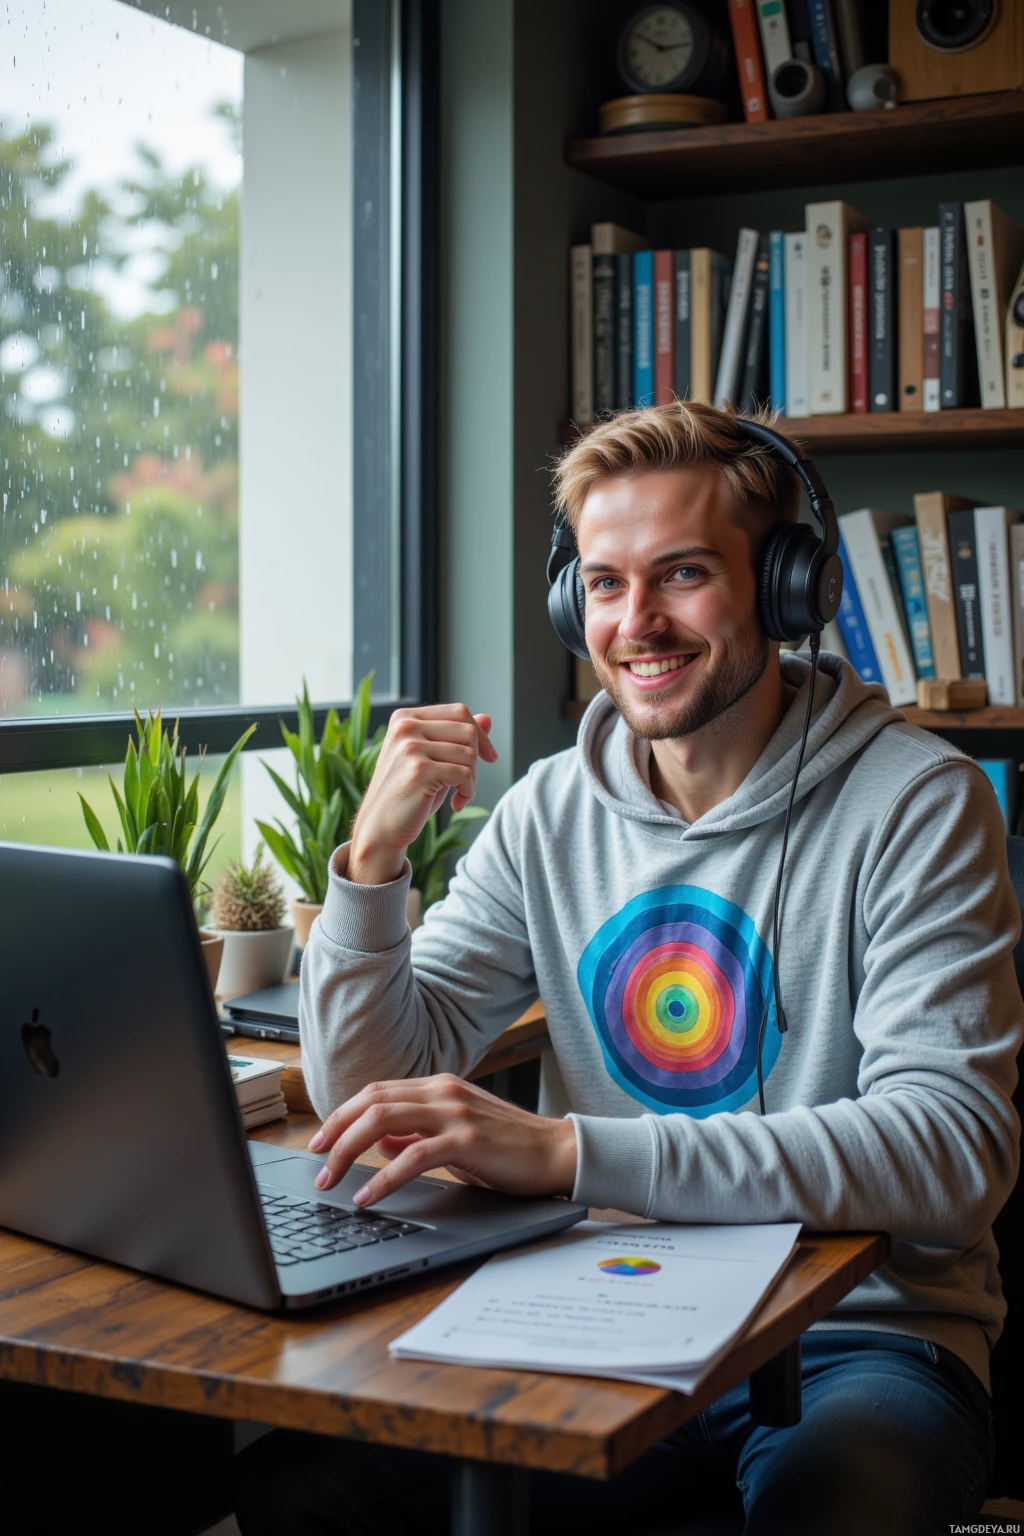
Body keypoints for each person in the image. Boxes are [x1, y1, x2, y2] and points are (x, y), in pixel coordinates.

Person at [235, 402, 1021, 1535]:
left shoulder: (918, 804)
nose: (635, 622)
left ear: (790, 588)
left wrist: (567, 1152)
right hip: (595, 1312)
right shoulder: (547, 811)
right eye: (603, 583)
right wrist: (370, 864)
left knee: (839, 1507)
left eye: (683, 574)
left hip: (860, 1338)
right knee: (308, 1492)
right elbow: (371, 1090)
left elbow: (949, 1153)